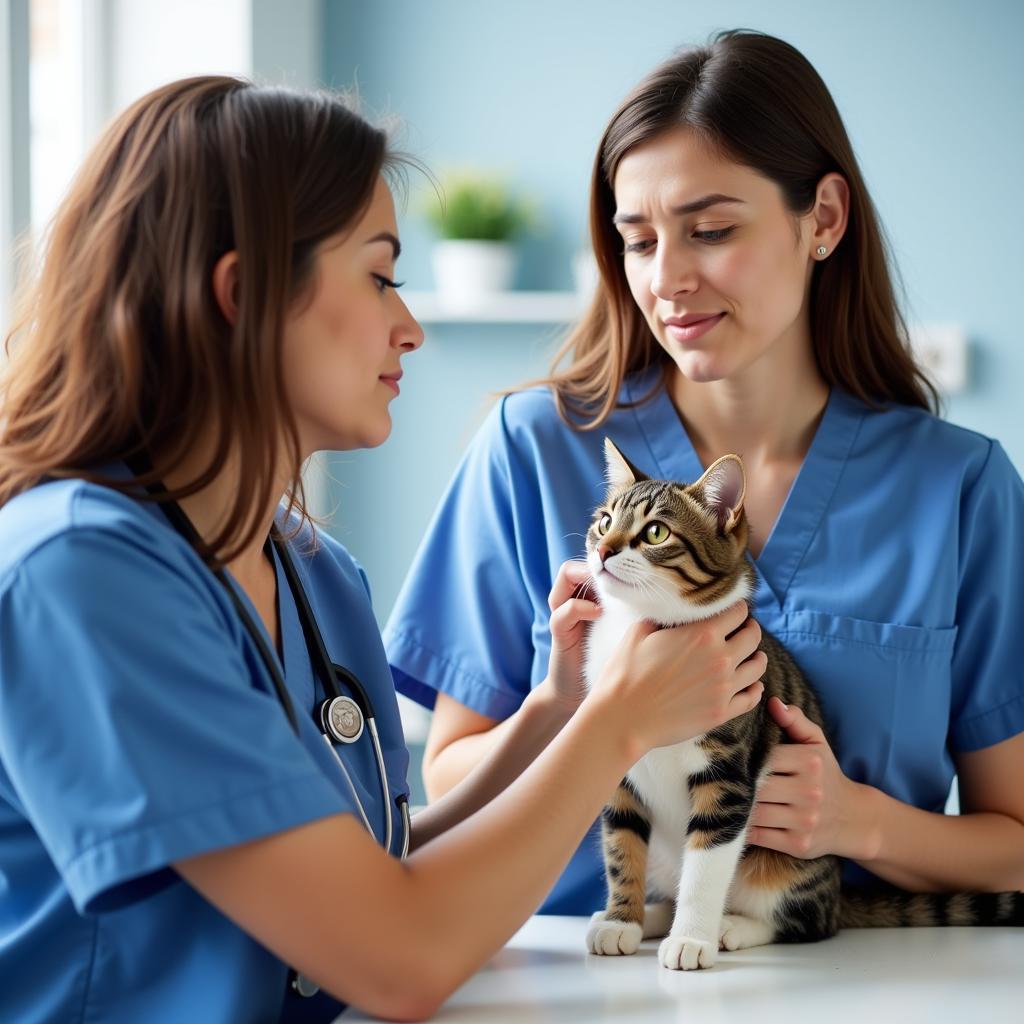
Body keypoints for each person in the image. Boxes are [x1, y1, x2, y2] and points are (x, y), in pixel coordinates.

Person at [0, 77, 768, 1023]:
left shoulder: (313, 570)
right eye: (380, 275)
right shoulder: (79, 574)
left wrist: (551, 713)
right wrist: (616, 724)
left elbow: (373, 862)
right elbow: (396, 956)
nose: (409, 327)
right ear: (245, 295)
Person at [385, 29, 1024, 917]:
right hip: (574, 983)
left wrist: (857, 823)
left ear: (825, 219)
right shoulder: (532, 448)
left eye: (711, 230)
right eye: (638, 241)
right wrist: (594, 716)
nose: (668, 279)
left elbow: (1016, 842)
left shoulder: (958, 491)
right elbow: (447, 783)